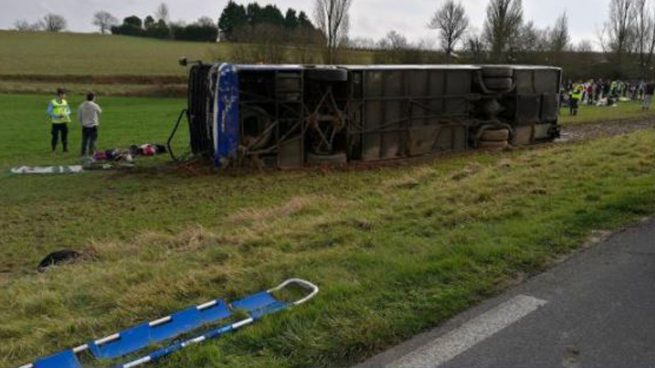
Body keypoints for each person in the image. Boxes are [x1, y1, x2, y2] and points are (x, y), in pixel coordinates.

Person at [47, 88, 71, 154]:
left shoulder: (65, 102)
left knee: (64, 137)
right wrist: (57, 116)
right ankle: (53, 150)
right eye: (64, 94)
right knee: (55, 137)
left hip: (64, 122)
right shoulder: (52, 102)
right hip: (56, 123)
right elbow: (49, 112)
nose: (65, 96)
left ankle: (65, 150)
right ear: (60, 94)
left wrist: (66, 114)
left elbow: (69, 110)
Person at [77, 92, 102, 157]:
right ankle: (91, 153)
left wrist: (82, 122)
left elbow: (79, 117)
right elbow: (100, 112)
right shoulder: (95, 105)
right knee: (92, 140)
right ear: (93, 98)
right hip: (93, 125)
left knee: (84, 140)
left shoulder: (81, 105)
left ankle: (83, 152)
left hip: (85, 126)